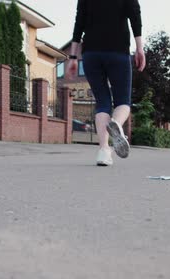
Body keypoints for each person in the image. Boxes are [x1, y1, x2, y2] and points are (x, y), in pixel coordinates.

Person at [67, 0, 145, 166]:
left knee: (102, 102)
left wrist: (73, 57)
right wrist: (140, 48)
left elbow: (79, 21)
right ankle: (115, 124)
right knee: (123, 102)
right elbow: (134, 15)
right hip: (118, 51)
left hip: (91, 53)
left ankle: (103, 151)